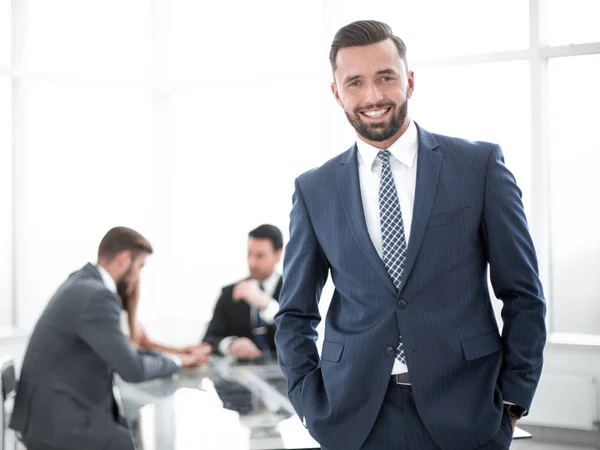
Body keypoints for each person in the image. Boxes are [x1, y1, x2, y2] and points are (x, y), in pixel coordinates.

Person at [274, 20, 547, 450]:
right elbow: (294, 313)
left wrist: (512, 402)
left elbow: (523, 294)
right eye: (355, 83)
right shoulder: (314, 189)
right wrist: (308, 400)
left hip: (468, 412)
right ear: (336, 92)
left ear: (410, 81)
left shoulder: (479, 167)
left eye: (386, 78)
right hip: (352, 418)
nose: (373, 96)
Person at [10, 227, 205, 450]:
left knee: (130, 429)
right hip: (58, 423)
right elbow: (132, 369)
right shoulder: (97, 295)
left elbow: (124, 352)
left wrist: (174, 357)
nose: (138, 277)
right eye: (140, 267)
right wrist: (178, 362)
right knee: (130, 441)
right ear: (124, 259)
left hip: (46, 415)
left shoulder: (81, 283)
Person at [203, 224, 283, 360]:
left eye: (260, 256)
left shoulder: (294, 291)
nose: (252, 262)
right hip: (239, 377)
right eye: (249, 254)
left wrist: (266, 305)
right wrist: (230, 345)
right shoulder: (230, 293)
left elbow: (298, 334)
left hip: (286, 377)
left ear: (278, 255)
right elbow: (208, 339)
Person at [120, 279, 212, 365]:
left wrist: (183, 351)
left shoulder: (128, 318)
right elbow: (133, 358)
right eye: (140, 266)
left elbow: (145, 344)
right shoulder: (114, 317)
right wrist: (184, 360)